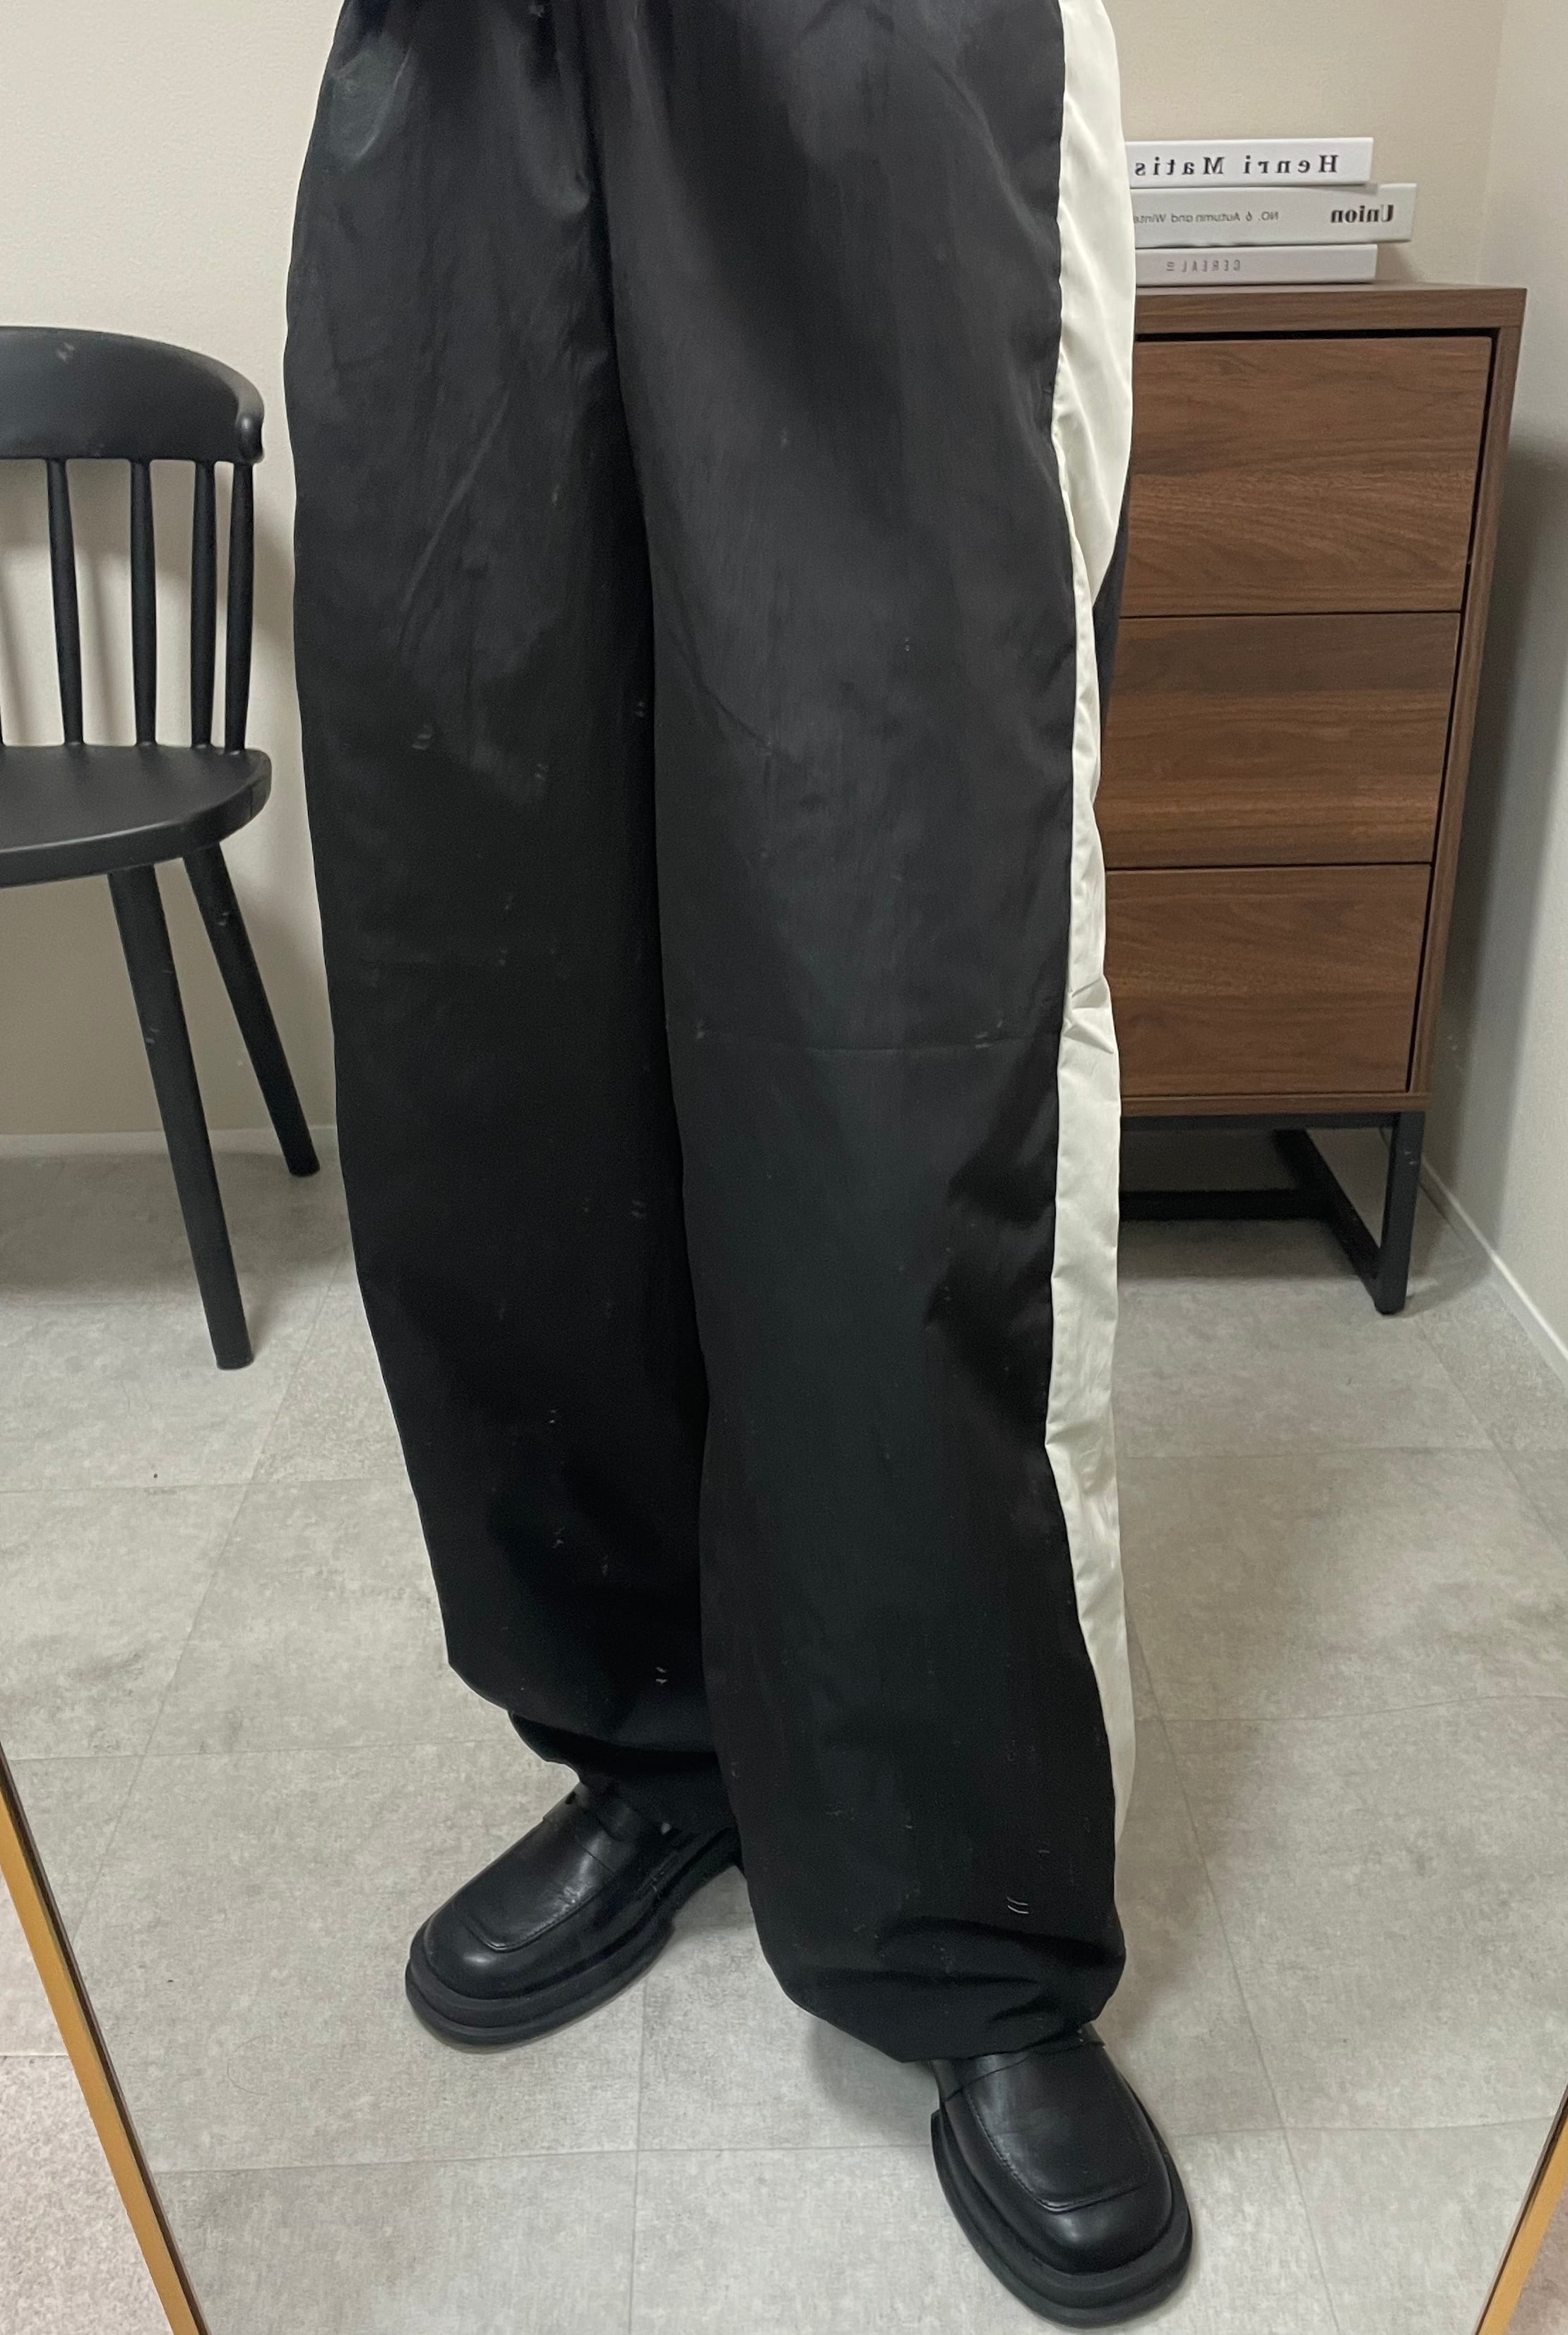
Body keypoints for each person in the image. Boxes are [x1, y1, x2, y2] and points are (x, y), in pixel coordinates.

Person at [286, 0, 1190, 2319]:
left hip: (866, 55)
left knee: (893, 1028)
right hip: (465, 65)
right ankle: (653, 1727)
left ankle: (963, 1913)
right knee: (497, 993)